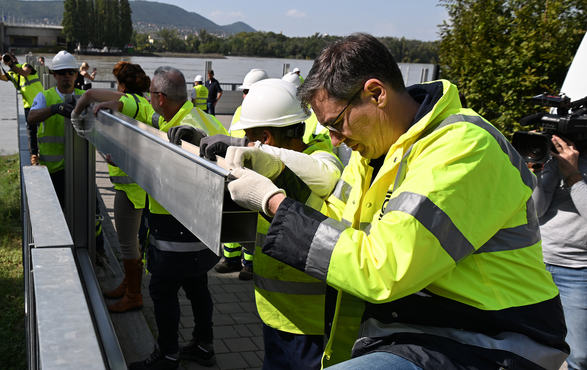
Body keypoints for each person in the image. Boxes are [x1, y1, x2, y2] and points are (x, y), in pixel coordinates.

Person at [227, 33, 569, 369]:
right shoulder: (372, 156)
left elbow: (384, 269)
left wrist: (273, 203)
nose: (333, 141)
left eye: (336, 123)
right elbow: (337, 224)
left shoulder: (462, 148)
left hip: (489, 340)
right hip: (417, 333)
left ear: (376, 93)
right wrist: (278, 177)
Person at [215, 78, 358, 368]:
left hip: (311, 326)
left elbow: (324, 174)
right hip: (274, 315)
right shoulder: (274, 163)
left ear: (265, 139)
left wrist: (264, 156)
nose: (247, 146)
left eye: (250, 139)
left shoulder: (320, 156)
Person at [95, 66, 228, 370]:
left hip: (174, 224)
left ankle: (167, 354)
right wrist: (120, 104)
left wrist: (125, 161)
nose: (151, 101)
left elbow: (168, 177)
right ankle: (204, 346)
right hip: (202, 225)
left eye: (153, 95)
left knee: (162, 290)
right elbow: (145, 115)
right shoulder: (197, 117)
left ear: (161, 97)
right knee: (197, 286)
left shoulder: (182, 131)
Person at [71, 61, 153, 313]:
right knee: (132, 242)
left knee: (127, 242)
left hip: (130, 188)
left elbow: (89, 94)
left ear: (124, 86)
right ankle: (129, 284)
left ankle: (134, 295)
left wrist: (77, 113)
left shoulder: (129, 100)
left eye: (118, 84)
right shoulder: (146, 103)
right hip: (135, 184)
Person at [26, 50, 105, 253]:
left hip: (80, 169)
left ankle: (98, 252)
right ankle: (58, 252)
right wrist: (55, 109)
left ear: (77, 74)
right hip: (54, 171)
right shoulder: (45, 97)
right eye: (62, 72)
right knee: (55, 215)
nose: (66, 76)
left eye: (70, 72)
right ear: (54, 75)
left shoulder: (84, 97)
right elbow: (31, 118)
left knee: (93, 214)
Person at [533, 135, 587, 370]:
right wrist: (534, 170)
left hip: (578, 270)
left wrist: (573, 175)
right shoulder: (558, 159)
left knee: (580, 356)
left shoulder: (570, 164)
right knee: (531, 346)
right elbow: (536, 210)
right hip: (539, 262)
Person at [213, 68, 269, 280]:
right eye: (244, 91)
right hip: (236, 172)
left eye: (249, 91)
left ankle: (249, 264)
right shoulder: (239, 110)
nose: (245, 95)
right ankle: (230, 259)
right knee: (232, 219)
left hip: (256, 175)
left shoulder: (267, 113)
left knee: (252, 224)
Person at [0, 52, 44, 164]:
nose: (8, 60)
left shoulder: (26, 66)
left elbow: (25, 73)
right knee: (31, 132)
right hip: (28, 105)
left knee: (43, 129)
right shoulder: (11, 74)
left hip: (41, 103)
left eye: (9, 57)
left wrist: (11, 64)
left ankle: (44, 152)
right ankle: (34, 155)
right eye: (6, 59)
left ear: (15, 58)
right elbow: (0, 77)